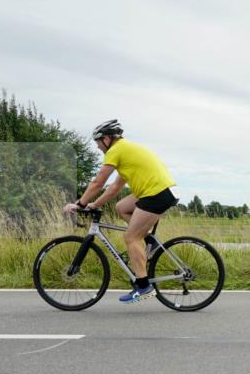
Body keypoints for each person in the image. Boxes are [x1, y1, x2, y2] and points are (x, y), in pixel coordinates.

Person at [64, 119, 178, 304]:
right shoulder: (125, 151)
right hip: (157, 190)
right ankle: (150, 240)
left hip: (156, 193)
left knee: (131, 237)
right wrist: (94, 204)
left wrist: (80, 203)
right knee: (121, 207)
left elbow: (98, 182)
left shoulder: (116, 150)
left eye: (98, 142)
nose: (98, 147)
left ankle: (143, 287)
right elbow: (114, 187)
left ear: (107, 139)